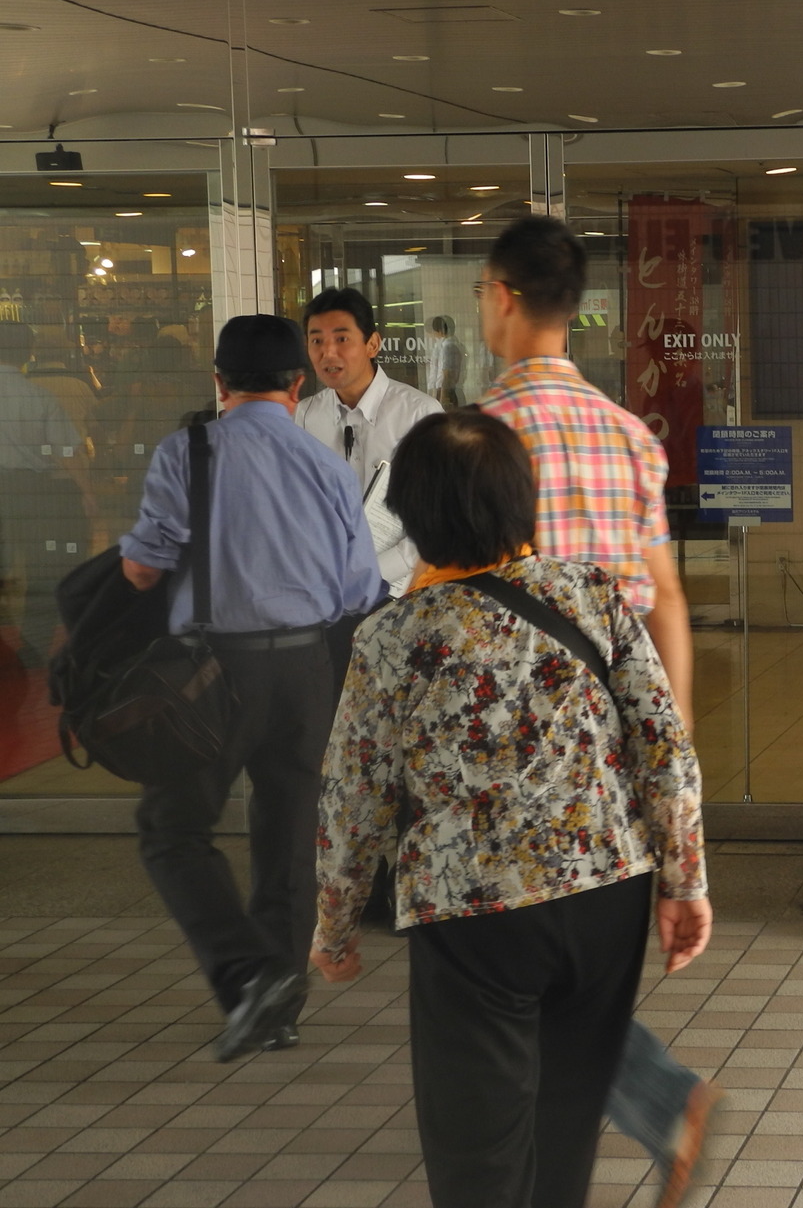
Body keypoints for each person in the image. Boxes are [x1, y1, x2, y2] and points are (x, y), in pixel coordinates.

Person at [310, 409, 710, 1208]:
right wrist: (684, 881)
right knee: (563, 1126)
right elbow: (664, 746)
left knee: (477, 1150)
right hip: (607, 893)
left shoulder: (392, 637)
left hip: (475, 916)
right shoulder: (591, 593)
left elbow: (355, 801)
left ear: (415, 517)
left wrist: (335, 927)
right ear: (519, 500)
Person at [474, 215, 713, 1204]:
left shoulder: (480, 435)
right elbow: (667, 597)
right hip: (617, 736)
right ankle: (651, 1099)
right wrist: (677, 744)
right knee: (576, 947)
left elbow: (459, 600)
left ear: (499, 294)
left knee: (504, 959)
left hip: (514, 744)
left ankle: (647, 1101)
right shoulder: (629, 435)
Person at [121, 314, 385, 1062]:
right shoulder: (327, 464)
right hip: (306, 669)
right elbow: (359, 586)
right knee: (288, 833)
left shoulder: (187, 451)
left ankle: (247, 977)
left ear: (217, 379)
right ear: (296, 383)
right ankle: (280, 1007)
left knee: (173, 827)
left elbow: (143, 568)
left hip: (212, 671)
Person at [295, 288, 442, 603]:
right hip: (325, 594)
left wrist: (369, 573)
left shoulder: (420, 414)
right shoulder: (304, 416)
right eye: (316, 340)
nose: (328, 353)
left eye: (342, 339)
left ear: (372, 344)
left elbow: (437, 521)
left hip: (402, 593)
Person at [0, 321, 86, 669]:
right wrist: (88, 494)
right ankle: (32, 649)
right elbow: (67, 452)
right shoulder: (38, 397)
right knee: (37, 570)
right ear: (27, 354)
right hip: (31, 491)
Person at [426, 313, 465, 408]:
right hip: (447, 390)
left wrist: (443, 398)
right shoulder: (449, 346)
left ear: (440, 331)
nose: (433, 335)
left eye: (434, 331)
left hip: (447, 391)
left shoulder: (448, 347)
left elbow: (447, 374)